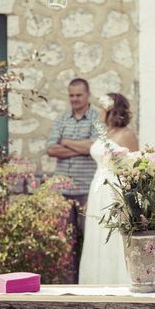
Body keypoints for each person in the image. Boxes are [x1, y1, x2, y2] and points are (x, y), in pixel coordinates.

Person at [79, 92, 139, 285]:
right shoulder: (105, 133)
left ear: (110, 109)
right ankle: (95, 283)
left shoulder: (127, 134)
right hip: (98, 189)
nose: (97, 110)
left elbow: (134, 167)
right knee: (96, 235)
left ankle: (117, 283)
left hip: (115, 191)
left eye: (100, 107)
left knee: (112, 236)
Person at [46, 78, 102, 282]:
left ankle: (85, 281)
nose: (75, 99)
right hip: (62, 190)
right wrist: (82, 147)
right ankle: (67, 282)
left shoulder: (97, 118)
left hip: (86, 190)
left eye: (79, 95)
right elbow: (51, 149)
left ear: (88, 95)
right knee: (65, 241)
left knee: (87, 239)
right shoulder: (61, 119)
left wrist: (66, 142)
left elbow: (94, 148)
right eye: (71, 95)